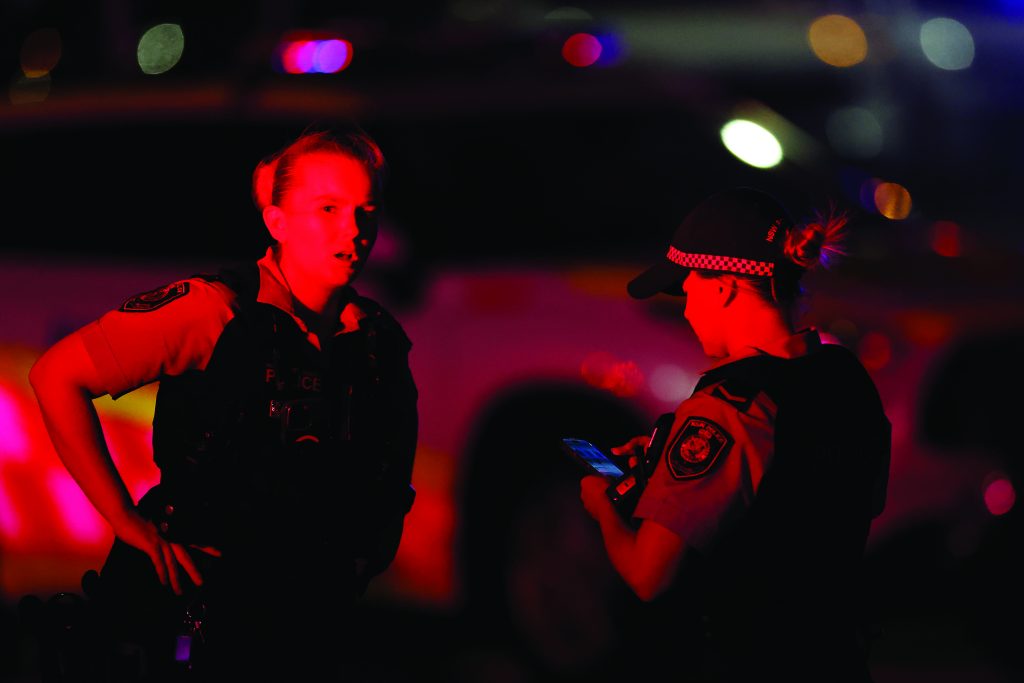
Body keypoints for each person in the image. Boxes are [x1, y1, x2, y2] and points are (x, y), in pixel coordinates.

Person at [28, 124, 418, 681]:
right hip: (191, 609)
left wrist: (367, 554)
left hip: (306, 615)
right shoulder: (215, 310)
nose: (353, 229)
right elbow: (56, 374)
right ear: (275, 221)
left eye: (366, 209)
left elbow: (390, 464)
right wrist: (125, 520)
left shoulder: (375, 337)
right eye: (327, 209)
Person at [578, 187, 890, 682]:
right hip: (838, 659)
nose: (684, 308)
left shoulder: (726, 411)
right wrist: (673, 464)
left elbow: (648, 576)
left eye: (686, 288)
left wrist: (602, 508)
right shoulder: (849, 379)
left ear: (723, 285)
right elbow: (856, 501)